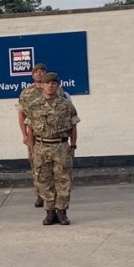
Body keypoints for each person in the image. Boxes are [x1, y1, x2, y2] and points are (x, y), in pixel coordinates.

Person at [25, 72, 80, 226]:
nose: (50, 86)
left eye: (54, 83)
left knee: (63, 180)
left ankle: (62, 212)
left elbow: (73, 127)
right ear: (42, 85)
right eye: (47, 83)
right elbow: (30, 130)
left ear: (57, 86)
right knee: (44, 180)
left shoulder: (66, 105)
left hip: (61, 146)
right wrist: (31, 149)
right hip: (42, 146)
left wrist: (73, 145)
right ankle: (50, 212)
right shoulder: (34, 105)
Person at [17, 63, 48, 208]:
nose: (40, 74)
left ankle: (51, 195)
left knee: (53, 166)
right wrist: (24, 134)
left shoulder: (57, 90)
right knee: (36, 165)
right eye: (37, 71)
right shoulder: (26, 93)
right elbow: (21, 114)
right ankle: (40, 195)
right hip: (33, 134)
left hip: (51, 134)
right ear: (32, 75)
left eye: (42, 71)